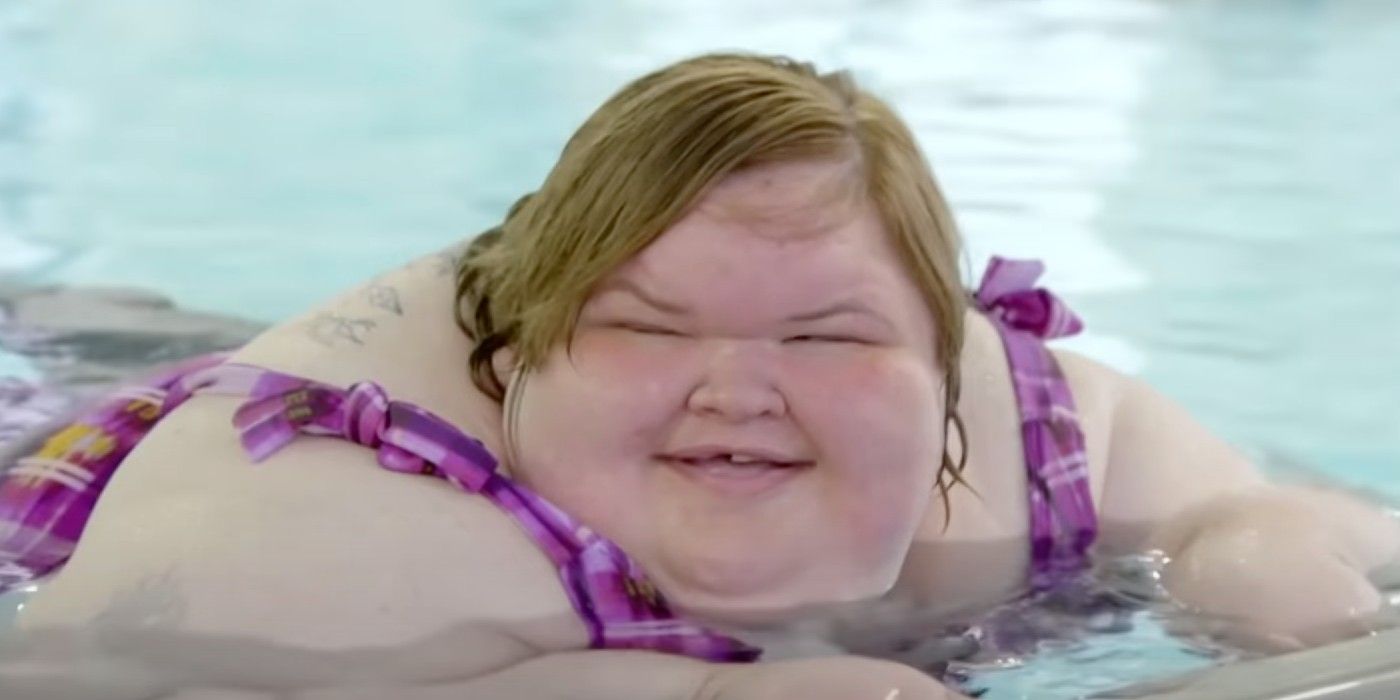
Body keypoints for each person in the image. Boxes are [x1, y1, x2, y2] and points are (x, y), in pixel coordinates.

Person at [2, 52, 1396, 699]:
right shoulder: (334, 554)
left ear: (944, 362)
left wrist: (1252, 544)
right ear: (519, 361)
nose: (738, 387)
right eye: (648, 331)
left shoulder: (1028, 431)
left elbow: (1268, 518)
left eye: (829, 339)